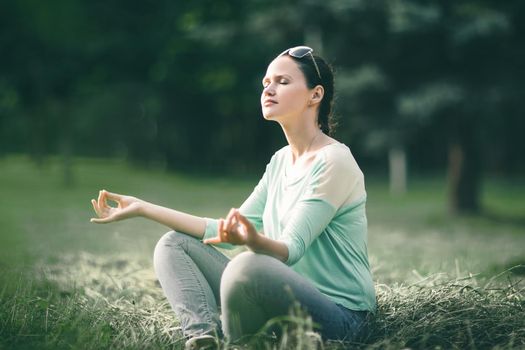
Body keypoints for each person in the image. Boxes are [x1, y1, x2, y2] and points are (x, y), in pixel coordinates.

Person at [90, 46, 376, 349]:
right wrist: (143, 208)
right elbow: (221, 234)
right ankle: (204, 337)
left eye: (282, 81)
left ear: (315, 95)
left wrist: (252, 242)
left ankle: (236, 342)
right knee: (174, 244)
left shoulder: (334, 161)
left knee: (247, 266)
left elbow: (290, 249)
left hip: (342, 319)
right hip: (280, 297)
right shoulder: (280, 161)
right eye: (266, 83)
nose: (269, 89)